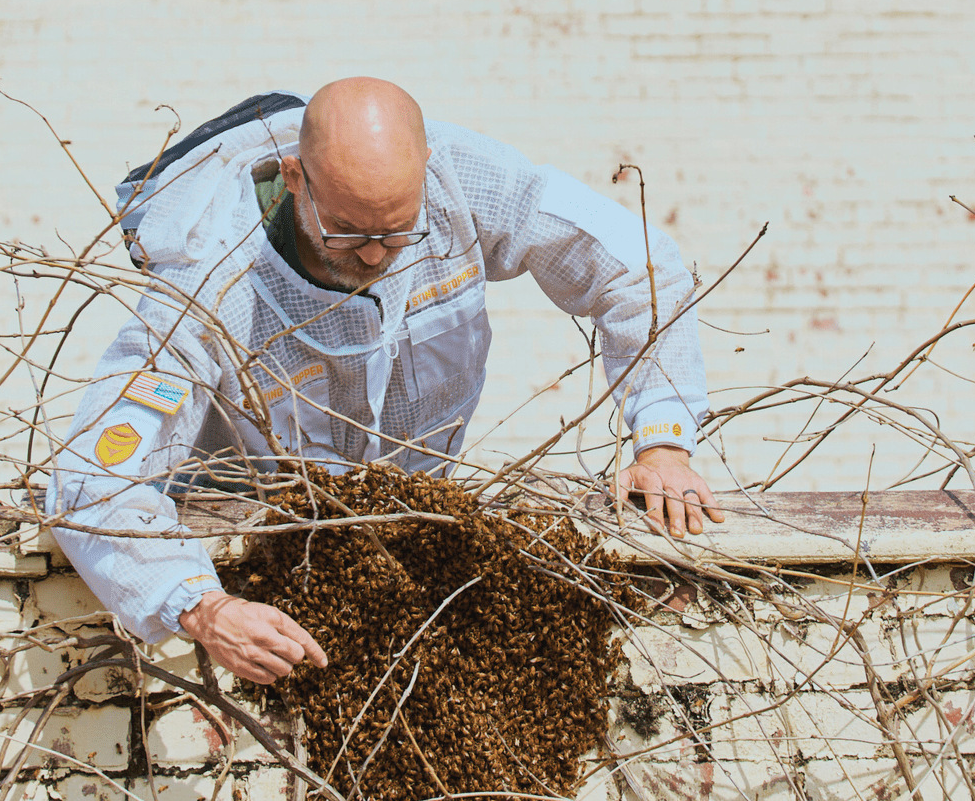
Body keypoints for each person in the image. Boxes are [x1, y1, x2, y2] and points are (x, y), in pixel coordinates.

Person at [47, 78, 723, 683]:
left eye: (397, 232)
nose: (373, 254)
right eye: (344, 232)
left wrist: (661, 439)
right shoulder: (206, 277)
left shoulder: (467, 180)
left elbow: (636, 266)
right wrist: (202, 606)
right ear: (294, 178)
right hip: (261, 558)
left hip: (414, 535)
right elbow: (93, 481)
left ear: (425, 174)